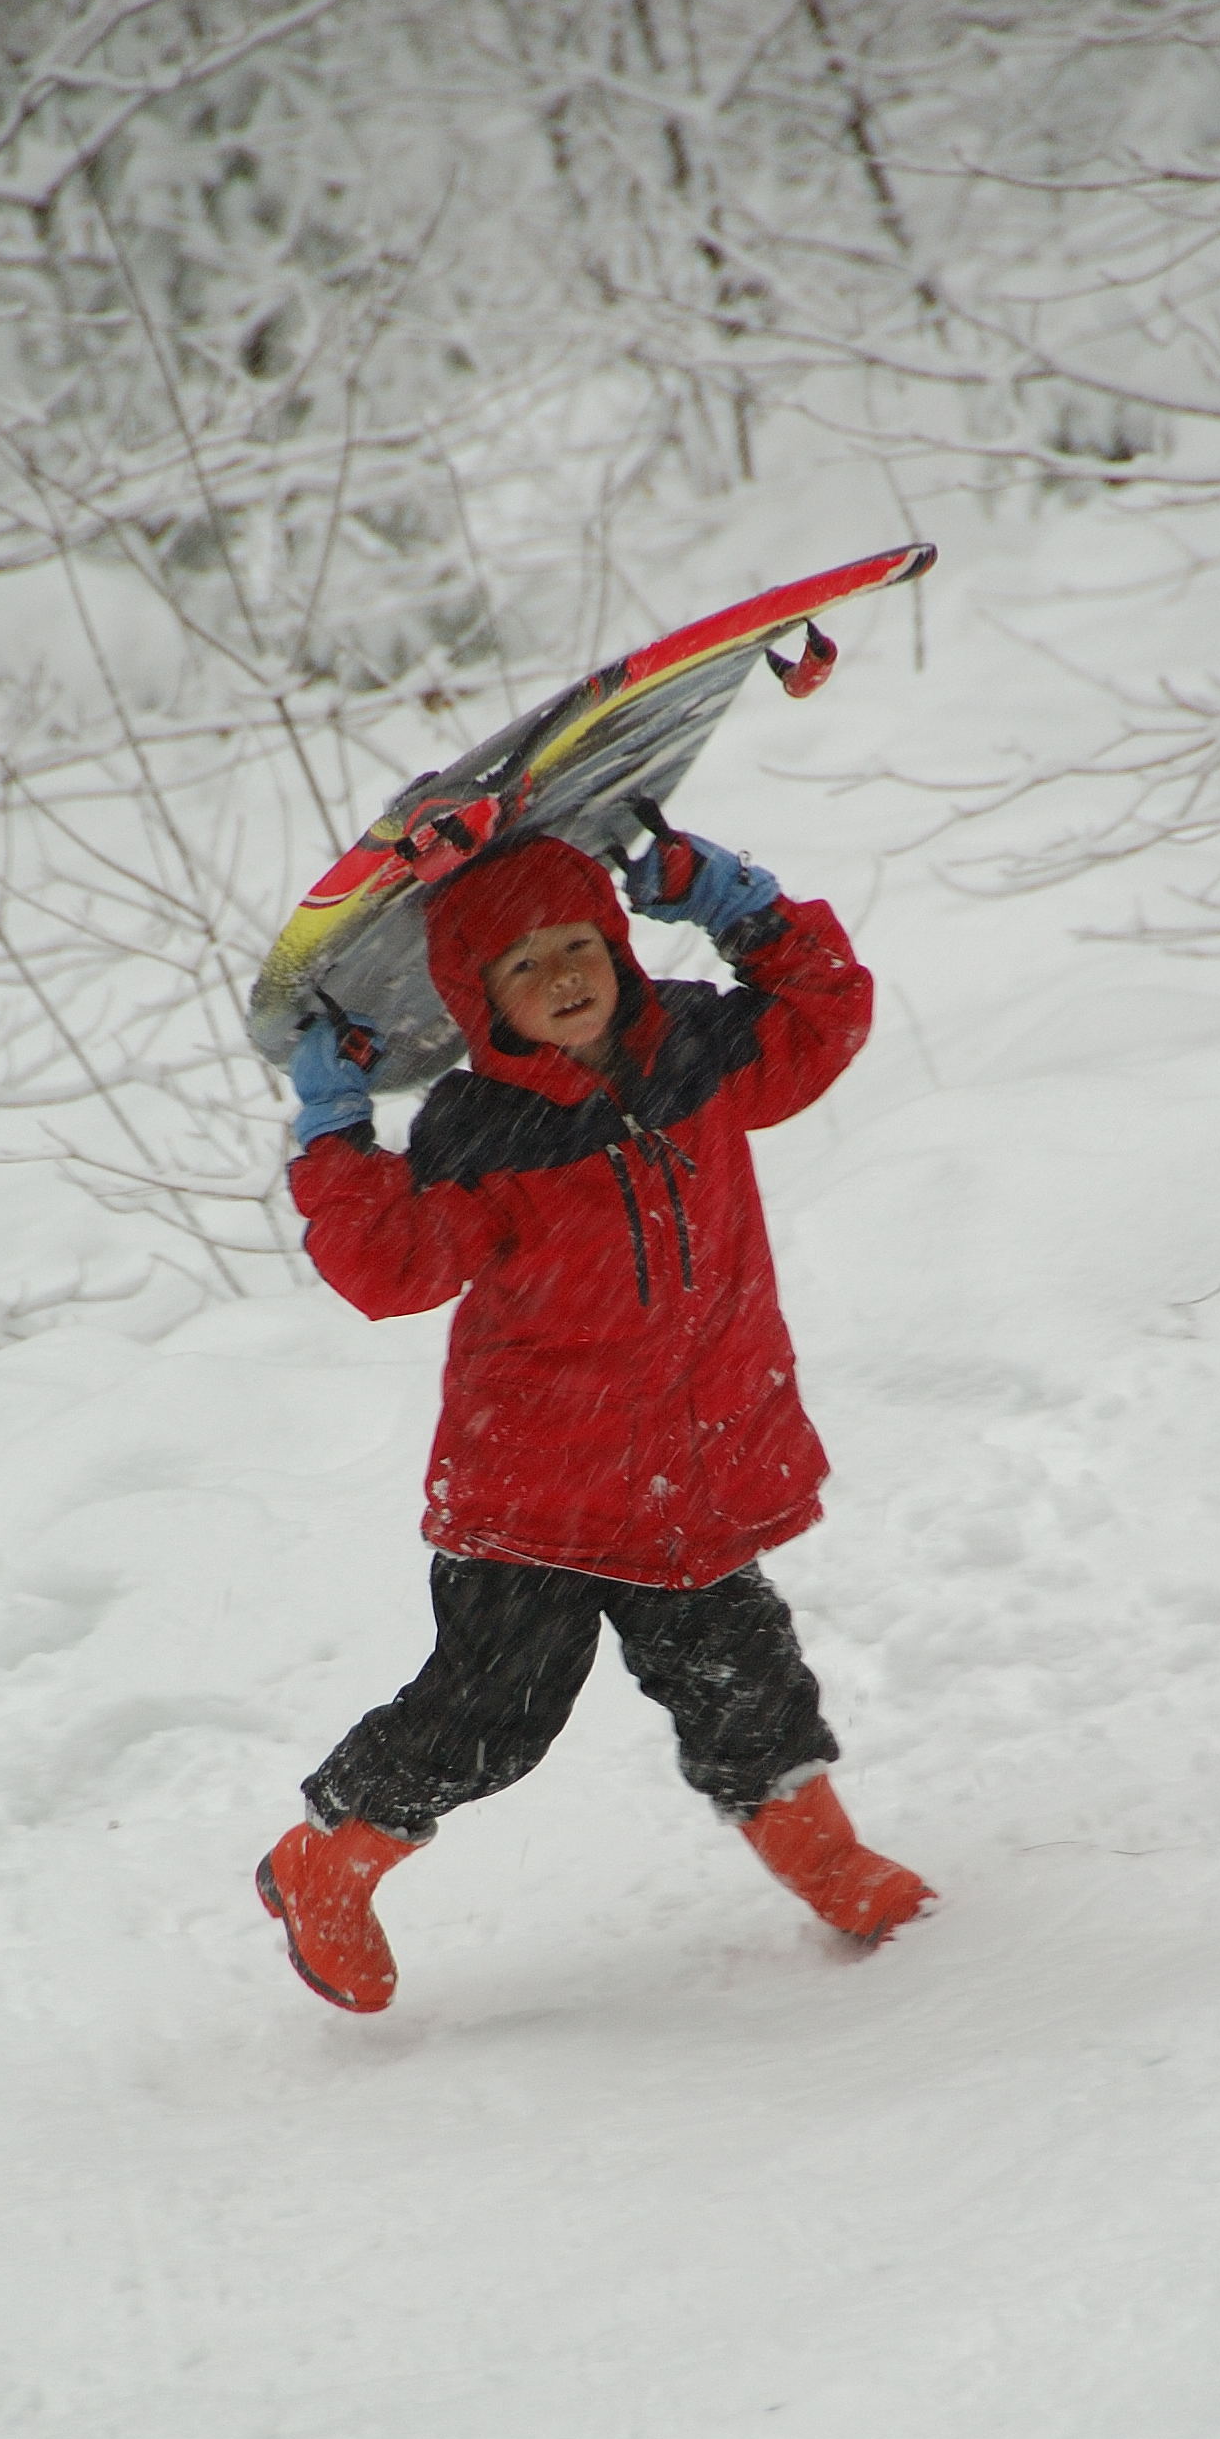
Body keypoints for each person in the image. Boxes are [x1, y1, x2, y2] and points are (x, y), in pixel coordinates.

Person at [256, 820, 934, 2012]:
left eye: (577, 943)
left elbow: (821, 1017)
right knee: (489, 1719)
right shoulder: (482, 1132)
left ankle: (828, 1862)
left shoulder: (698, 1051)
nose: (562, 975)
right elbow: (387, 1265)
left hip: (690, 1470)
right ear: (479, 997)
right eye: (523, 964)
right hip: (537, 1498)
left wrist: (743, 909)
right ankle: (325, 1860)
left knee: (749, 1688)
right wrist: (333, 1128)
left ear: (617, 944)